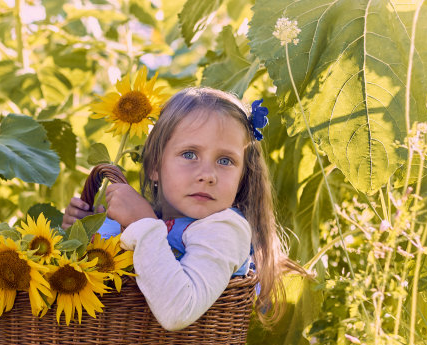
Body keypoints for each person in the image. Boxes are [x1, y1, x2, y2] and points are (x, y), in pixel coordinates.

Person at [63, 87, 301, 330]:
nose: (207, 175)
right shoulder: (154, 218)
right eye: (189, 154)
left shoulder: (226, 229)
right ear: (155, 165)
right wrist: (88, 229)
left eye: (225, 161)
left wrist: (141, 223)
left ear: (243, 175)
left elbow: (178, 311)